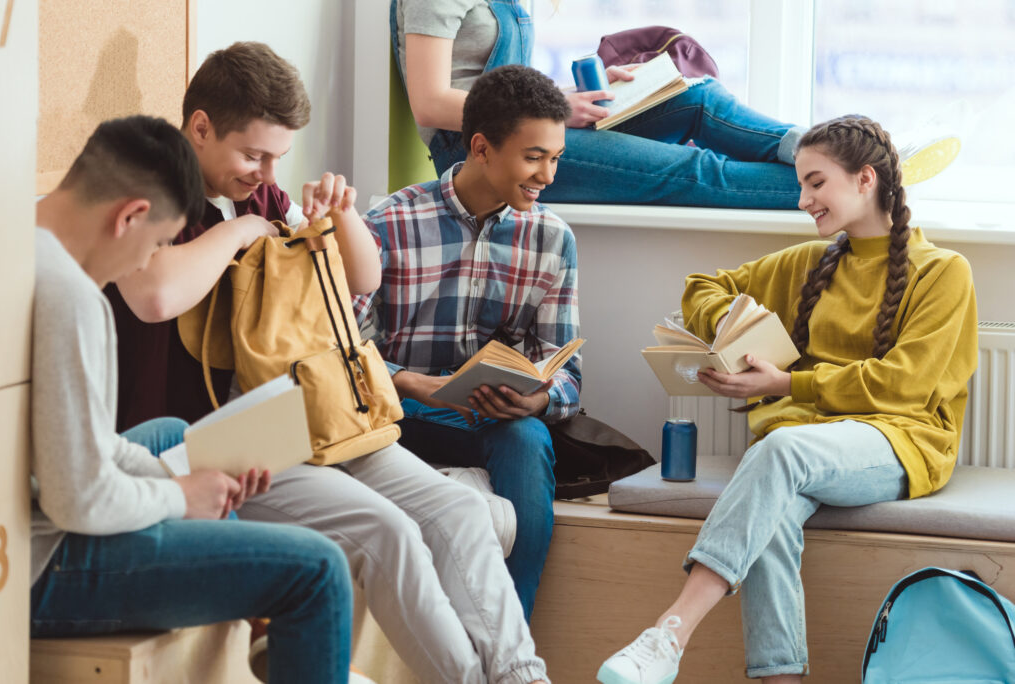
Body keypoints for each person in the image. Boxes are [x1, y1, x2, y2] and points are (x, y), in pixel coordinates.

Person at [108, 43, 550, 684]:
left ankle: (521, 676)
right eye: (253, 155)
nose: (264, 172)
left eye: (276, 159)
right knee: (389, 532)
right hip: (206, 445)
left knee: (456, 511)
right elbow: (153, 296)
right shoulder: (149, 190)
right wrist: (240, 233)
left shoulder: (259, 195)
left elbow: (361, 279)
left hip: (303, 419)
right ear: (199, 127)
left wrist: (340, 215)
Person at [596, 115, 978, 683]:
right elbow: (702, 285)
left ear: (866, 178)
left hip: (901, 440)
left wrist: (785, 384)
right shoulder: (807, 264)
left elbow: (906, 384)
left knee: (778, 452)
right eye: (801, 184)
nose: (803, 200)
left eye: (816, 182)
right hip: (803, 447)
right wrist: (733, 324)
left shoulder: (944, 272)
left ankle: (670, 632)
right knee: (770, 514)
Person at [30, 115, 353, 684]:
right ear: (129, 216)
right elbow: (79, 502)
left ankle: (250, 605)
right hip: (34, 565)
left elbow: (78, 445)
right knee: (320, 569)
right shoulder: (72, 298)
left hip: (27, 502)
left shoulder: (20, 237)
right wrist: (179, 496)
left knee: (170, 435)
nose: (141, 266)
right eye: (155, 243)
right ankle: (265, 617)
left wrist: (170, 477)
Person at [355, 63, 581, 620]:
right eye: (534, 157)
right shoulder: (387, 224)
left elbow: (569, 375)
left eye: (555, 157)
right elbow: (345, 356)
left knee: (527, 437)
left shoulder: (553, 239)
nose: (547, 175)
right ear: (481, 147)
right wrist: (413, 384)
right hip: (397, 413)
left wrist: (538, 398)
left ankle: (511, 648)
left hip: (489, 421)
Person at [392, 0, 806, 209]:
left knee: (698, 99)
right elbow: (429, 103)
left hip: (526, 126)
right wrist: (548, 111)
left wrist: (567, 96)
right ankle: (827, 187)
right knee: (693, 169)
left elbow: (496, 82)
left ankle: (826, 151)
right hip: (483, 152)